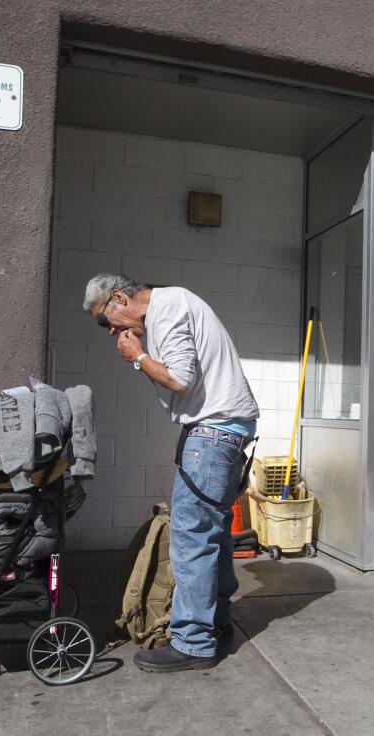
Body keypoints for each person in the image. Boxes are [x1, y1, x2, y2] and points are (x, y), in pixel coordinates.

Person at [83, 274, 259, 672]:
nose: (111, 331)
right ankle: (216, 620)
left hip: (212, 433)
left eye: (105, 320)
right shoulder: (172, 306)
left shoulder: (167, 307)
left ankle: (193, 642)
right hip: (222, 430)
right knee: (211, 532)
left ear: (118, 298)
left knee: (192, 536)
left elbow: (180, 380)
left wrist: (137, 357)